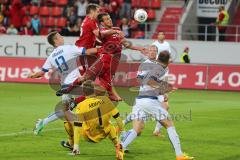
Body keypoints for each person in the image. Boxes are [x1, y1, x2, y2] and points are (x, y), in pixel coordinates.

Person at [120, 50, 194, 160]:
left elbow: (141, 79)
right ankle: (179, 155)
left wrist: (162, 91)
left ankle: (120, 147)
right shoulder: (160, 68)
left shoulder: (151, 66)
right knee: (169, 124)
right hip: (149, 101)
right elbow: (150, 81)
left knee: (137, 129)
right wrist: (164, 87)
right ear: (168, 61)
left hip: (140, 100)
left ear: (158, 58)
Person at [58, 13, 146, 101]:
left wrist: (139, 48)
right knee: (85, 77)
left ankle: (76, 102)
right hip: (103, 60)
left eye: (110, 18)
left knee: (101, 90)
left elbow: (126, 44)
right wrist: (116, 31)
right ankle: (67, 90)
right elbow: (102, 34)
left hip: (113, 63)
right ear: (102, 23)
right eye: (107, 19)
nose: (110, 20)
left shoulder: (117, 29)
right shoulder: (103, 31)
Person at [28, 31, 98, 135]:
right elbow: (87, 51)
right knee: (91, 97)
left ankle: (43, 122)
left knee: (66, 110)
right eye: (60, 36)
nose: (62, 37)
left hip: (65, 86)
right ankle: (94, 127)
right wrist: (103, 49)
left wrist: (32, 75)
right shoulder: (69, 48)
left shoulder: (51, 56)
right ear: (55, 41)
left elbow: (41, 73)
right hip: (74, 83)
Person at [62, 80, 124, 160]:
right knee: (110, 124)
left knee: (67, 118)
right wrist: (123, 132)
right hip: (105, 132)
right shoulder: (106, 100)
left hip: (88, 135)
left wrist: (76, 145)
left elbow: (78, 126)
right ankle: (118, 145)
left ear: (83, 92)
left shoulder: (81, 105)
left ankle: (72, 144)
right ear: (94, 90)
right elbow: (118, 118)